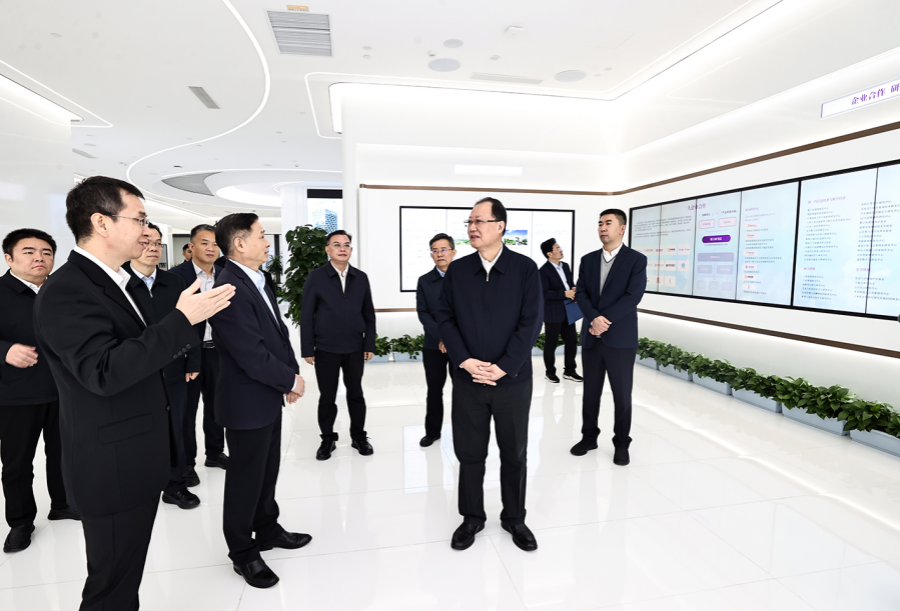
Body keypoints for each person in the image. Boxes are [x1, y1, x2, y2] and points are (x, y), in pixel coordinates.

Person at [33, 176, 234, 610]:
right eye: (139, 219)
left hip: (134, 457)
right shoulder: (67, 290)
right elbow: (103, 372)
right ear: (101, 223)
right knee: (110, 590)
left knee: (124, 583)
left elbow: (141, 352)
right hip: (111, 467)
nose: (146, 231)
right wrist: (182, 319)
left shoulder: (115, 281)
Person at [436, 197, 542, 553]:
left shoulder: (524, 269)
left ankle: (514, 518)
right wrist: (465, 361)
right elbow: (445, 318)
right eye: (469, 222)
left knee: (514, 453)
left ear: (500, 226)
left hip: (512, 380)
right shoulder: (458, 271)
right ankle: (471, 517)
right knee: (469, 452)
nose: (472, 228)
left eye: (479, 221)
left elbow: (531, 322)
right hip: (469, 381)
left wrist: (504, 366)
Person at [211, 213, 309, 589]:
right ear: (239, 243)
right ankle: (242, 552)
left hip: (266, 393)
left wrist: (289, 374)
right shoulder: (228, 287)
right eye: (262, 235)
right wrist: (291, 379)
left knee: (266, 470)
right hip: (245, 400)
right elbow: (250, 354)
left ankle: (267, 528)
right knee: (245, 478)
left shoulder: (257, 278)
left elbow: (277, 335)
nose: (268, 242)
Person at [0, 229, 80, 554]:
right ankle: (20, 522)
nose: (39, 258)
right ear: (9, 258)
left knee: (63, 453)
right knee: (17, 463)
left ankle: (62, 504)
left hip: (64, 390)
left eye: (46, 253)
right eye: (29, 252)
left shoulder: (62, 292)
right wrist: (4, 350)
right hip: (16, 394)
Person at [124, 223, 201, 510]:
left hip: (173, 369)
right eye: (146, 242)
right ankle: (139, 486)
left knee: (175, 428)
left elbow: (191, 323)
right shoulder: (118, 283)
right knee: (137, 431)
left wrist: (192, 359)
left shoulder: (174, 283)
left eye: (157, 243)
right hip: (133, 372)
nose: (153, 248)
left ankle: (175, 485)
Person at [572, 209, 647, 466]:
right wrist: (594, 318)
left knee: (622, 395)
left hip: (621, 339)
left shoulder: (636, 260)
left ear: (622, 228)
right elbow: (581, 293)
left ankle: (622, 443)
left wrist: (603, 321)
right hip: (592, 337)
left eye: (608, 223)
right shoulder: (588, 260)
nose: (603, 228)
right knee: (590, 392)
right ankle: (589, 437)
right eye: (600, 223)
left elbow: (633, 296)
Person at [300, 230, 377, 461]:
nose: (342, 249)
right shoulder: (316, 277)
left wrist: (369, 343)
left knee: (356, 394)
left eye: (346, 245)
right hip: (326, 348)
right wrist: (307, 348)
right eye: (336, 244)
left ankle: (358, 437)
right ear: (328, 249)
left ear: (351, 250)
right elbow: (307, 314)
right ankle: (327, 438)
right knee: (327, 397)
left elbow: (368, 313)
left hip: (355, 347)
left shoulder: (360, 277)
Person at [170, 224, 228, 485]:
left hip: (219, 352)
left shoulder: (226, 275)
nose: (211, 248)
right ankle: (187, 464)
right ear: (191, 247)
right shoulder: (175, 278)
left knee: (217, 406)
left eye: (215, 244)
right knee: (187, 412)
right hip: (188, 356)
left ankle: (215, 453)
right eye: (205, 243)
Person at [415, 233, 457, 447]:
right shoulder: (424, 281)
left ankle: (463, 431)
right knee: (434, 390)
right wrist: (441, 337)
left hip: (460, 345)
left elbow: (469, 312)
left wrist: (451, 338)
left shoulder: (465, 278)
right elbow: (423, 313)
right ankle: (432, 432)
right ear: (431, 254)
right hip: (433, 345)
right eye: (435, 250)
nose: (440, 254)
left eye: (444, 249)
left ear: (453, 252)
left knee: (463, 391)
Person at [538, 238, 582, 384]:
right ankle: (550, 372)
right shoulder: (543, 271)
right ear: (549, 254)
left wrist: (573, 289)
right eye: (557, 248)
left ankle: (570, 371)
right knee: (551, 344)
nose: (561, 250)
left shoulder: (566, 266)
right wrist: (564, 293)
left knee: (572, 341)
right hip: (553, 312)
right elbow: (544, 293)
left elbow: (569, 284)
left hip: (568, 310)